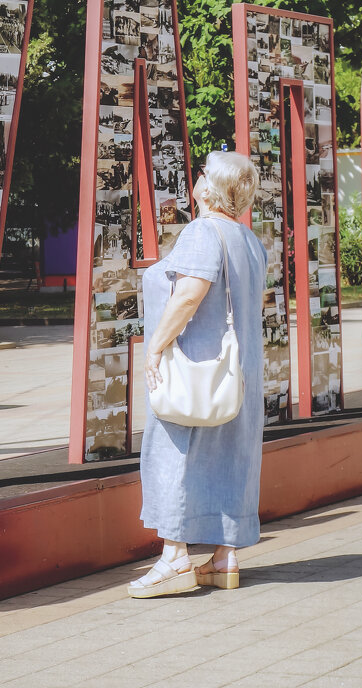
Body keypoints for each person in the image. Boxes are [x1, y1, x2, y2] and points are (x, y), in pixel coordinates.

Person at [129, 150, 267, 599]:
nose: (197, 179)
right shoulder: (248, 240)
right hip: (235, 376)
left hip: (194, 371)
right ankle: (224, 559)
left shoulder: (202, 231)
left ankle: (174, 559)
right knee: (230, 458)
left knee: (174, 454)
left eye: (202, 174)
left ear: (209, 189)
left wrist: (155, 349)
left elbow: (188, 295)